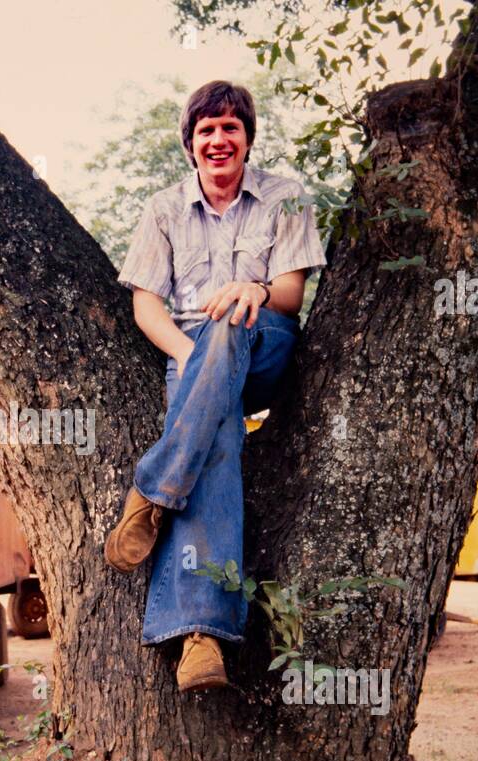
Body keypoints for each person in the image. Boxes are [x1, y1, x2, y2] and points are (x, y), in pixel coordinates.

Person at [104, 80, 326, 693]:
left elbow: (292, 293)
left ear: (248, 137)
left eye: (231, 127)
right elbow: (148, 306)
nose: (219, 139)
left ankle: (152, 492)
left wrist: (253, 291)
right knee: (219, 446)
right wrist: (198, 363)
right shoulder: (163, 209)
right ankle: (202, 642)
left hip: (266, 346)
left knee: (230, 317)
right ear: (190, 144)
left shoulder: (285, 197)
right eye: (206, 130)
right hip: (192, 353)